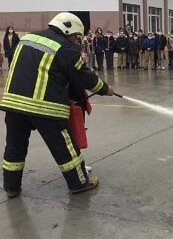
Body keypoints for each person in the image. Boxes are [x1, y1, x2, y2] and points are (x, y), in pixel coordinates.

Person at [0, 12, 115, 198]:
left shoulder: (26, 38)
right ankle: (78, 183)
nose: (75, 40)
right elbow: (83, 76)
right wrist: (105, 88)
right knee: (65, 148)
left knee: (14, 147)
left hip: (14, 103)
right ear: (67, 29)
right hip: (44, 107)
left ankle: (11, 187)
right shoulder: (64, 48)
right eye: (75, 36)